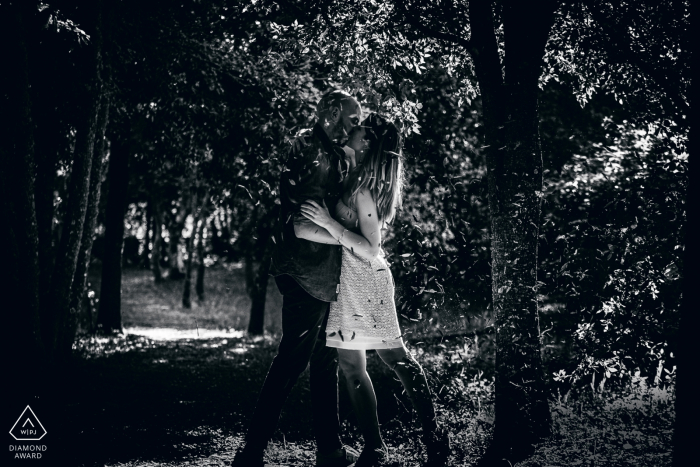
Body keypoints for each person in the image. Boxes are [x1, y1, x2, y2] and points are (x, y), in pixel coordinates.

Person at [300, 114, 451, 467]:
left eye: (359, 129)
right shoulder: (350, 176)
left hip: (366, 279)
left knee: (395, 357)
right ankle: (374, 448)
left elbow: (370, 247)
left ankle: (435, 439)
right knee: (351, 364)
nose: (351, 130)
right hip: (344, 282)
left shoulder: (363, 189)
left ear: (366, 143)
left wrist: (325, 223)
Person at [231, 90, 362, 467]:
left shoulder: (329, 152)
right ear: (334, 113)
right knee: (292, 361)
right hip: (306, 273)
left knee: (324, 362)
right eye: (353, 119)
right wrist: (343, 237)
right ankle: (252, 451)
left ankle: (331, 450)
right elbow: (304, 226)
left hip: (321, 274)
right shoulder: (312, 149)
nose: (357, 126)